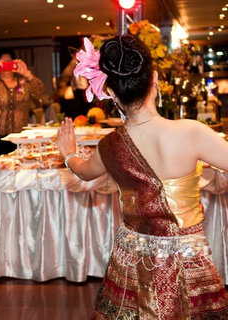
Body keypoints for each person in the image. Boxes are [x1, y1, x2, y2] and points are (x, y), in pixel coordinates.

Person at [57, 35, 228, 318]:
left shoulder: (110, 145)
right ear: (156, 79)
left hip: (133, 262)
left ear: (110, 92)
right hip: (187, 260)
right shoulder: (192, 133)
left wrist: (68, 153)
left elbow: (83, 172)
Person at [0, 48, 45, 159]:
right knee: (0, 170)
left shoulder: (23, 83)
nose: (6, 65)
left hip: (22, 137)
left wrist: (27, 73)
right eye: (2, 63)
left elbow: (40, 91)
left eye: (9, 62)